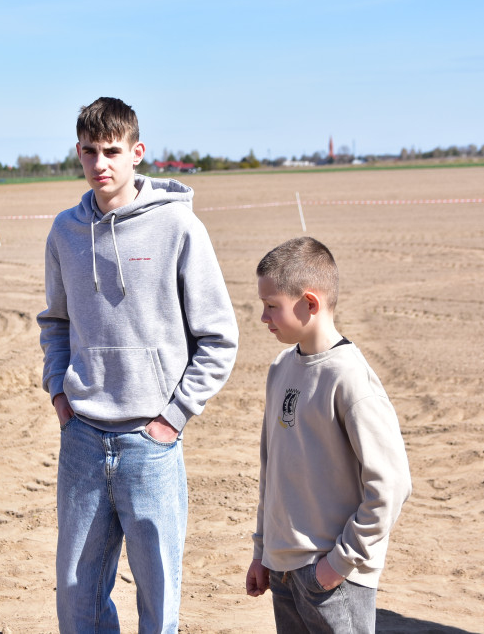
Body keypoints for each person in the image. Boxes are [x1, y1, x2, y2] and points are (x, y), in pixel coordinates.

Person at [38, 97, 239, 632]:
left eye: (111, 150)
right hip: (81, 438)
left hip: (151, 446)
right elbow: (55, 322)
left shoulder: (178, 227)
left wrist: (173, 417)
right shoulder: (65, 232)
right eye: (89, 151)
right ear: (77, 154)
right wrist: (60, 393)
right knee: (78, 601)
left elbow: (219, 337)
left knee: (159, 601)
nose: (100, 163)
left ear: (136, 152)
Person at [245, 237, 412, 633]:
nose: (263, 317)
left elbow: (392, 484)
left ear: (310, 304)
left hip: (333, 579)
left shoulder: (350, 380)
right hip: (283, 570)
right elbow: (272, 471)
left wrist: (338, 565)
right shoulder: (281, 368)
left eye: (272, 306)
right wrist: (263, 551)